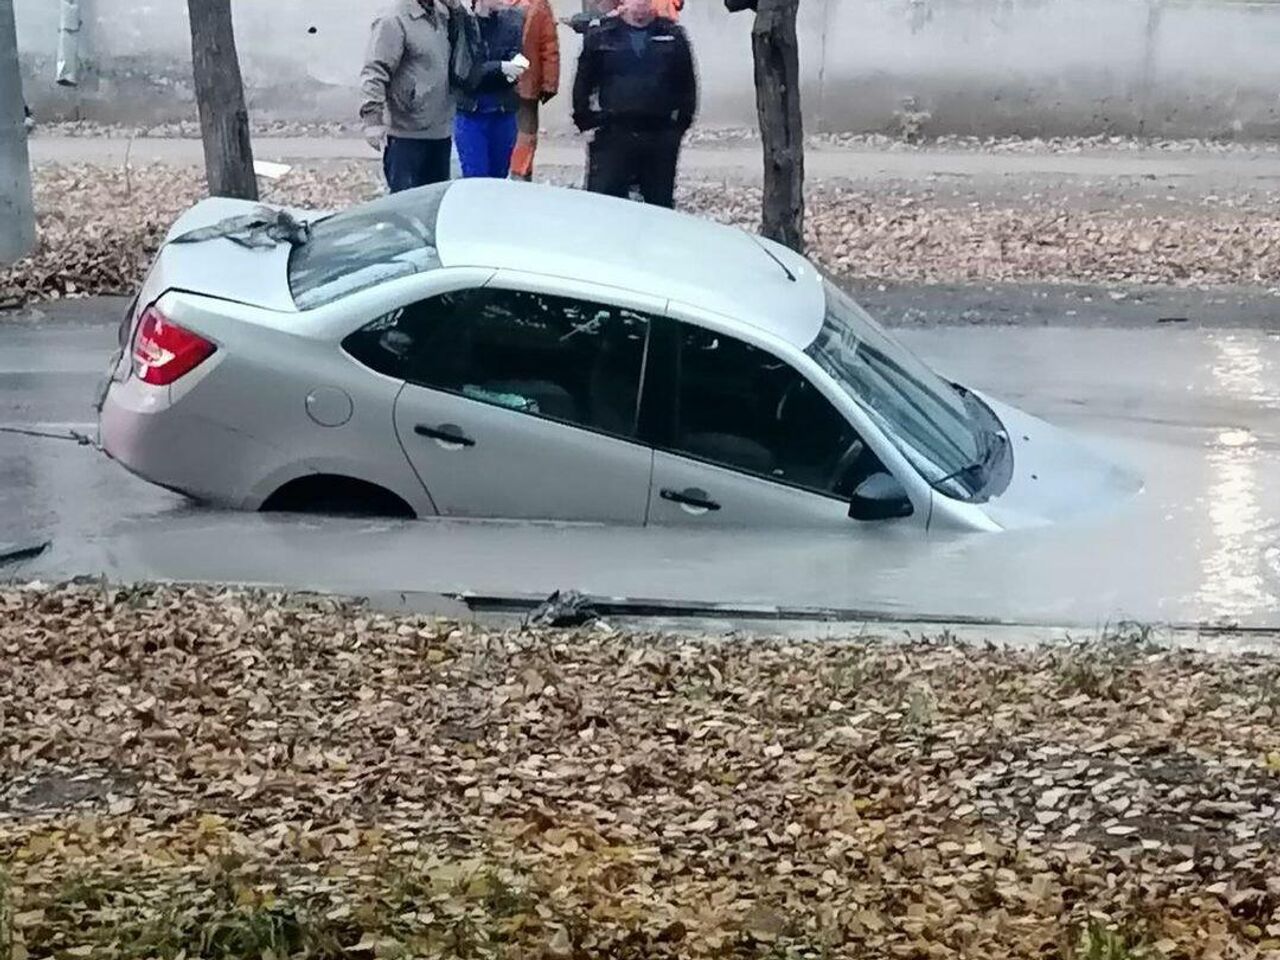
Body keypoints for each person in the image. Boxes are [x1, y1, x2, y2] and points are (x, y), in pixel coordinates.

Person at [572, 0, 697, 209]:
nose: (640, 3)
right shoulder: (602, 35)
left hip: (658, 136)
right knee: (604, 205)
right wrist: (586, 122)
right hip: (613, 133)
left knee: (658, 208)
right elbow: (584, 82)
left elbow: (687, 85)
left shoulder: (672, 36)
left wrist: (677, 130)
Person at [360, 0, 469, 192]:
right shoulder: (393, 19)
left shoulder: (443, 14)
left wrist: (457, 11)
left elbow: (466, 49)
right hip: (406, 133)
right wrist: (372, 118)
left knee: (432, 207)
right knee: (404, 206)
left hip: (440, 130)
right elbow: (375, 70)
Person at [454, 0, 529, 178]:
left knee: (499, 177)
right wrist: (500, 67)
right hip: (471, 112)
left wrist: (517, 65)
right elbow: (467, 72)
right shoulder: (463, 23)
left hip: (503, 111)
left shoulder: (513, 20)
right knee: (476, 176)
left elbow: (515, 54)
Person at [508, 0, 560, 180]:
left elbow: (549, 45)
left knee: (526, 135)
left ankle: (520, 173)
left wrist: (549, 83)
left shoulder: (538, 5)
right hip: (498, 85)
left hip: (527, 84)